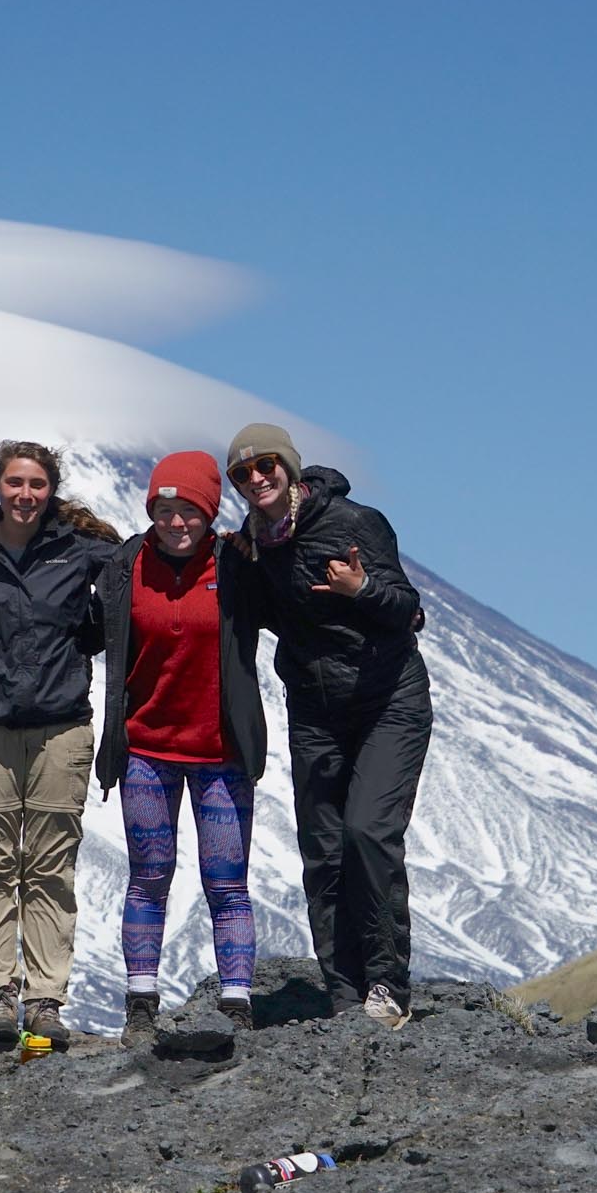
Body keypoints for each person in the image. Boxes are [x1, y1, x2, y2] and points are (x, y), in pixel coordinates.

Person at [224, 423, 432, 1028]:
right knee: (323, 852)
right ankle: (345, 996)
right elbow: (270, 615)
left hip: (387, 700)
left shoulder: (355, 523)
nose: (256, 479)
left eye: (266, 466)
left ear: (289, 467)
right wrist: (240, 570)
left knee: (367, 833)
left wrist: (360, 586)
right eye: (243, 473)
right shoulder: (256, 542)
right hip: (314, 712)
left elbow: (408, 609)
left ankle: (389, 985)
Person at [0, 441, 121, 1047]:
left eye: (37, 485)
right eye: (15, 483)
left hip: (60, 727)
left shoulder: (83, 550)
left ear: (51, 489)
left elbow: (122, 604)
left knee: (49, 867)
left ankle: (45, 999)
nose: (25, 495)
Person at [94, 451, 266, 1046]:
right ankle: (141, 999)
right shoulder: (123, 567)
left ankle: (237, 1001)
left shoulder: (237, 566)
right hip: (145, 746)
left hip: (221, 751)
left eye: (189, 510)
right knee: (149, 874)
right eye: (165, 510)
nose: (176, 522)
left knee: (227, 879)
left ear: (209, 513)